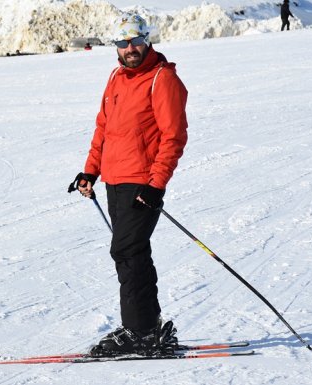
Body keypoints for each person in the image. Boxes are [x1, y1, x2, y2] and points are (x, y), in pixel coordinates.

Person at [75, 13, 188, 357]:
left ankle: (139, 332)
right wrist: (90, 171)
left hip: (142, 184)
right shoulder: (116, 77)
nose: (130, 49)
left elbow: (173, 137)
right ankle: (147, 328)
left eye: (135, 41)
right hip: (114, 181)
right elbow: (103, 129)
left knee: (126, 251)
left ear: (147, 40)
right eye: (122, 43)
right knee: (132, 255)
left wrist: (156, 186)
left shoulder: (162, 79)